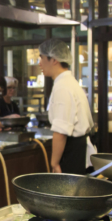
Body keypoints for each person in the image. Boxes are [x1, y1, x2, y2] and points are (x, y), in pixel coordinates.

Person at [39, 38, 93, 174]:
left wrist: (54, 163)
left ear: (54, 59)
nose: (40, 63)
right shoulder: (70, 82)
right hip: (78, 149)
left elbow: (61, 130)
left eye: (42, 58)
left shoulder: (62, 87)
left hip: (71, 153)